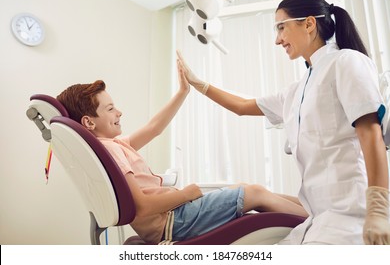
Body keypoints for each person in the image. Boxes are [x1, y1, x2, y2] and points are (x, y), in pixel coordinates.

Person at [177, 0, 390, 245]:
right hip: (319, 219)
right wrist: (198, 83)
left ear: (309, 24)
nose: (278, 40)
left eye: (281, 27)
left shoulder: (347, 62)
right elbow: (244, 106)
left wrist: (379, 210)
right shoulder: (297, 90)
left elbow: (370, 133)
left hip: (351, 217)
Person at [56, 59, 307, 244]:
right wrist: (188, 193)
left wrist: (183, 92)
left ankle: (315, 209)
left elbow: (154, 128)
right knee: (254, 193)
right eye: (110, 109)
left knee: (249, 188)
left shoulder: (115, 145)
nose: (119, 112)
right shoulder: (111, 150)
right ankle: (317, 223)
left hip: (174, 217)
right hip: (173, 222)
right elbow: (141, 207)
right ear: (89, 122)